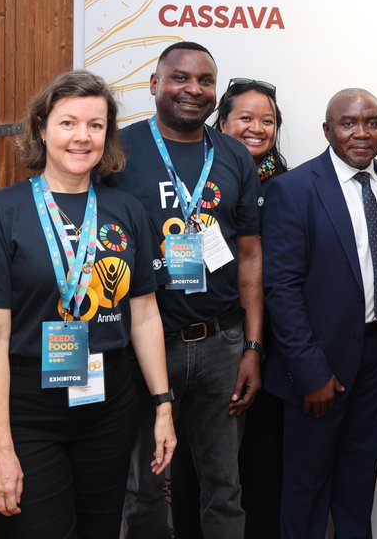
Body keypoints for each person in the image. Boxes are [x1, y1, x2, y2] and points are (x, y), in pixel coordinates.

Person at [0, 70, 176, 538]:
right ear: (42, 128)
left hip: (108, 404)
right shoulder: (0, 212)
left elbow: (144, 316)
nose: (82, 137)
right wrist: (0, 447)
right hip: (29, 410)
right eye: (68, 123)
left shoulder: (127, 211)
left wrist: (163, 405)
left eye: (96, 125)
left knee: (100, 530)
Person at [113, 42, 265, 539]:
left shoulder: (234, 156)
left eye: (204, 81)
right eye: (180, 78)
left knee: (225, 485)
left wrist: (252, 346)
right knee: (144, 486)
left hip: (221, 342)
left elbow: (248, 256)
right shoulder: (118, 151)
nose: (193, 90)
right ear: (155, 84)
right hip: (146, 345)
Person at [263, 88, 377, 539]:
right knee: (305, 486)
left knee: (360, 478)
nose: (362, 132)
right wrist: (309, 372)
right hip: (319, 362)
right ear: (328, 130)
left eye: (372, 122)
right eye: (348, 123)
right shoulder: (294, 189)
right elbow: (281, 289)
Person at [171, 77, 289, 538]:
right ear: (221, 122)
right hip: (212, 339)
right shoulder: (192, 177)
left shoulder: (292, 182)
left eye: (268, 120)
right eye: (245, 118)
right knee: (197, 461)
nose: (257, 128)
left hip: (275, 342)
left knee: (262, 458)